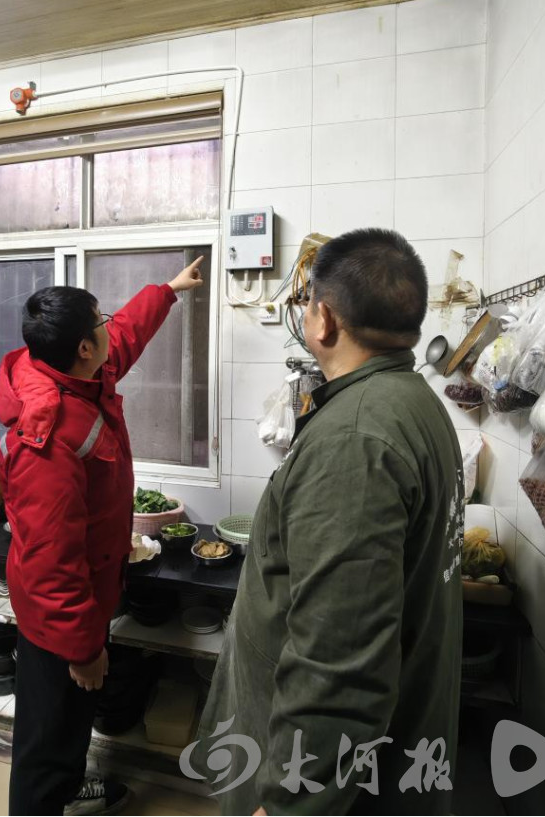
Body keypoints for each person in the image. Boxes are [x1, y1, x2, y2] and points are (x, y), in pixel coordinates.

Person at [196, 228, 464, 815]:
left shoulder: (355, 439)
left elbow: (339, 660)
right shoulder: (412, 400)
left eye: (307, 303)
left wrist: (291, 803)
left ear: (324, 320)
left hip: (333, 786)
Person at [0, 257, 205, 816]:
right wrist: (84, 649)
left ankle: (67, 790)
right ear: (85, 347)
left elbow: (126, 335)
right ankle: (42, 803)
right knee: (47, 735)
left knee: (73, 716)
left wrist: (169, 290)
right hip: (57, 615)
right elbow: (50, 561)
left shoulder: (77, 373)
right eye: (101, 321)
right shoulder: (48, 433)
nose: (112, 327)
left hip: (86, 599)